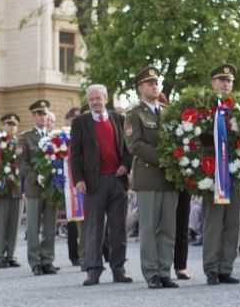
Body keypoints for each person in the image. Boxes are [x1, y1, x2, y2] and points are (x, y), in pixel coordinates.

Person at [71, 84, 133, 286]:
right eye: (91, 100)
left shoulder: (119, 119)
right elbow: (74, 154)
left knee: (118, 229)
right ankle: (93, 270)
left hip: (117, 180)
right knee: (93, 228)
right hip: (93, 183)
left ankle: (118, 269)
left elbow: (128, 148)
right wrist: (78, 179)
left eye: (98, 98)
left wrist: (125, 165)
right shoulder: (80, 122)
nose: (95, 102)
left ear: (105, 98)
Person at [124, 67, 178, 289]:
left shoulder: (169, 112)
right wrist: (164, 158)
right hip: (148, 177)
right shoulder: (134, 114)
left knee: (167, 228)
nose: (154, 86)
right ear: (140, 88)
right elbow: (134, 144)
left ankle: (165, 271)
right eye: (149, 83)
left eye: (156, 82)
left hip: (170, 178)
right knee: (148, 229)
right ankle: (151, 273)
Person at [201, 64, 240, 285]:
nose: (226, 84)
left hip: (235, 171)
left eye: (229, 81)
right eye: (222, 80)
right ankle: (211, 268)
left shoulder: (239, 108)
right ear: (213, 83)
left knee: (232, 222)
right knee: (213, 222)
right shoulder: (204, 107)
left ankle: (226, 268)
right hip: (213, 172)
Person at [18, 100, 59, 275]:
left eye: (45, 114)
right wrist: (36, 177)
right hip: (35, 188)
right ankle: (35, 261)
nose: (43, 117)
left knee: (50, 226)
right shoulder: (26, 137)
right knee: (34, 227)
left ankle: (47, 259)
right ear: (34, 116)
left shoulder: (54, 137)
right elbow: (21, 162)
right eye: (40, 114)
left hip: (52, 188)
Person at [0, 113, 23, 268]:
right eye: (8, 124)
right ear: (2, 126)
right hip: (2, 189)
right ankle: (0, 255)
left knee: (14, 224)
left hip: (17, 190)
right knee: (2, 223)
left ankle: (11, 255)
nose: (11, 127)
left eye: (14, 124)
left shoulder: (20, 143)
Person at [63, 106, 83, 266]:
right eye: (73, 117)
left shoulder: (85, 132)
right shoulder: (62, 137)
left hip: (85, 180)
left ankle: (91, 253)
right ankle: (74, 255)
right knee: (72, 221)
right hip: (68, 183)